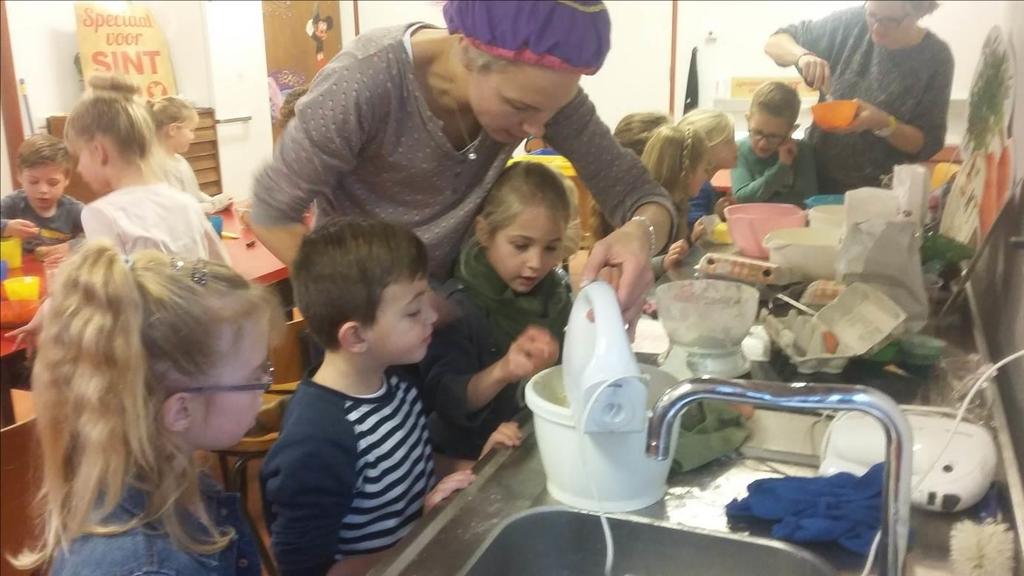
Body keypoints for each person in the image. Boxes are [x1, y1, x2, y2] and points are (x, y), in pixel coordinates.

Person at [251, 1, 676, 329]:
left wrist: (641, 233)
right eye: (521, 108)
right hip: (364, 329)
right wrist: (383, 299)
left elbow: (641, 195)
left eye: (550, 112)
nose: (537, 131)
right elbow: (270, 215)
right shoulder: (363, 84)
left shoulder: (541, 92)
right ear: (468, 51)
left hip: (451, 318)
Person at [262, 219, 516, 576]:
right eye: (413, 311)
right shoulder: (318, 441)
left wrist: (475, 468)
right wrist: (421, 535)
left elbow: (414, 468)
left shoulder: (396, 384)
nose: (432, 316)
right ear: (355, 337)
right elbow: (308, 571)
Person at [12, 242, 279, 575]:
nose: (266, 385)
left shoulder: (176, 477)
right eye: (255, 374)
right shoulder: (143, 566)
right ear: (181, 410)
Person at [420, 161, 576, 468]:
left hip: (527, 444)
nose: (535, 263)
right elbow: (448, 401)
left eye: (551, 248)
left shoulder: (556, 296)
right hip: (468, 462)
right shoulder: (458, 307)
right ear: (485, 232)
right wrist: (502, 370)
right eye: (521, 245)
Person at [765, 0, 953, 193]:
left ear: (919, 12)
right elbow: (775, 42)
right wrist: (802, 56)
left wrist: (884, 124)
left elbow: (926, 143)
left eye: (890, 20)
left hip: (880, 192)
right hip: (814, 181)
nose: (877, 28)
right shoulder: (849, 24)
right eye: (872, 15)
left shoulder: (935, 58)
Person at [67, 75, 229, 263]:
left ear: (98, 151)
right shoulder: (186, 203)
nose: (78, 168)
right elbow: (221, 267)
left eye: (79, 156)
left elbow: (109, 288)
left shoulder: (101, 214)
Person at [638, 125, 710, 280]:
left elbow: (672, 251)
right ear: (687, 173)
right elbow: (629, 268)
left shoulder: (679, 206)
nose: (706, 177)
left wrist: (690, 240)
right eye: (704, 169)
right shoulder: (652, 215)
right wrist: (663, 262)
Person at [0, 134, 83, 263]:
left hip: (60, 274)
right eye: (33, 182)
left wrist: (71, 247)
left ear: (66, 179)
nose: (43, 190)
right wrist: (6, 227)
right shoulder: (12, 204)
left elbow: (100, 235)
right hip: (20, 278)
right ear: (19, 176)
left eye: (53, 183)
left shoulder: (74, 210)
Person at [732, 81, 818, 205]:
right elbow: (742, 198)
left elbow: (808, 201)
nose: (762, 144)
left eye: (773, 136)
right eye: (757, 132)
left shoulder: (802, 151)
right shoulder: (739, 149)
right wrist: (781, 167)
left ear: (791, 131)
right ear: (748, 120)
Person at [150, 96, 230, 214]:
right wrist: (213, 206)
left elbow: (193, 193)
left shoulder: (179, 160)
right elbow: (179, 210)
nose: (193, 137)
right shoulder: (162, 167)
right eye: (191, 130)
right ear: (173, 129)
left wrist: (213, 200)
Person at [676, 109, 738, 243]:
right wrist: (714, 219)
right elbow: (696, 229)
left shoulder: (702, 183)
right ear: (706, 146)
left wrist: (715, 213)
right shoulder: (700, 186)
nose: (736, 146)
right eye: (728, 141)